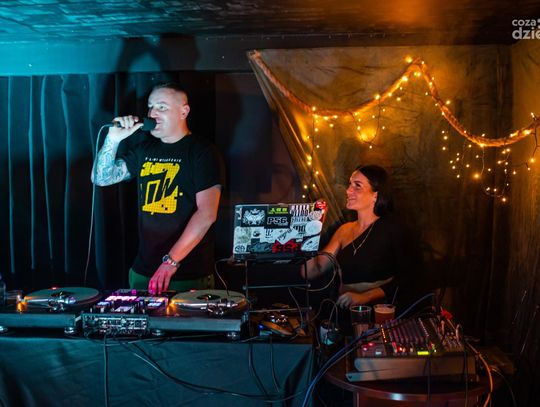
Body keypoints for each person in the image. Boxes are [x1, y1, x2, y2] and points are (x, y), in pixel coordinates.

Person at [91, 82, 225, 294]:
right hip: (142, 271)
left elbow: (207, 214)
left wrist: (170, 262)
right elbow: (101, 178)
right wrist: (113, 140)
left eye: (162, 107)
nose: (153, 114)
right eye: (150, 107)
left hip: (186, 274)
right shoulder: (144, 150)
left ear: (184, 111)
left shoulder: (202, 152)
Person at [304, 164, 417, 309]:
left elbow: (411, 278)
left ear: (375, 195)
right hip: (343, 311)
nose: (348, 190)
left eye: (357, 186)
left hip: (377, 313)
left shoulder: (394, 228)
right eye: (350, 184)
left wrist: (365, 296)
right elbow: (312, 271)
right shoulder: (344, 230)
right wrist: (313, 227)